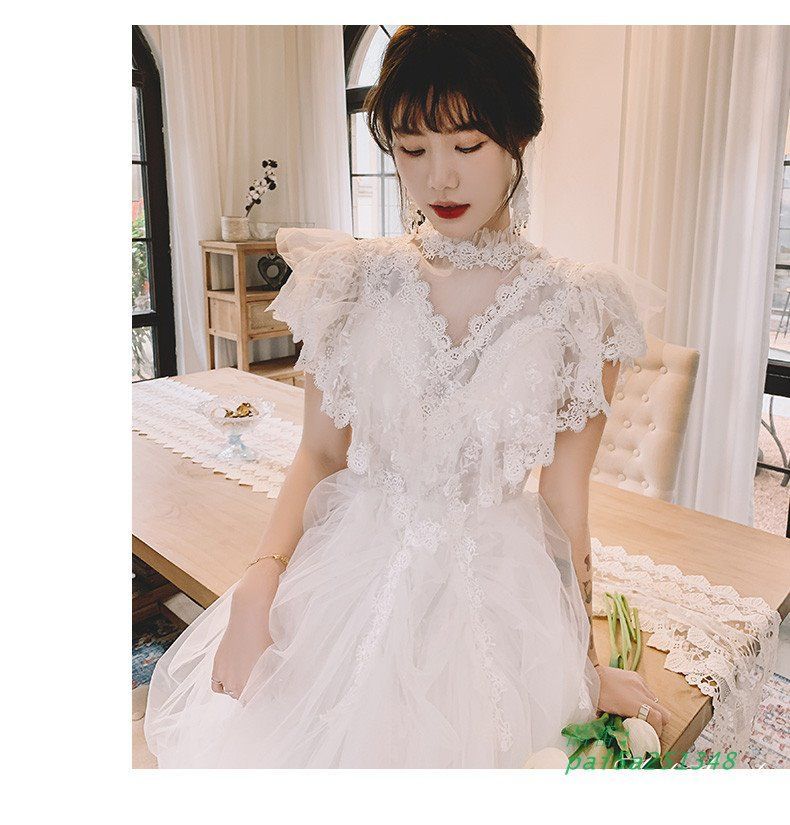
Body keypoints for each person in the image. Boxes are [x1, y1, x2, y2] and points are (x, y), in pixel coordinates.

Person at [144, 25, 670, 768]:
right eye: (412, 149)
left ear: (518, 137)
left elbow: (563, 505)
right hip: (348, 585)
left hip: (496, 600)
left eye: (467, 145)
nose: (438, 180)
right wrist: (261, 581)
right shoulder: (349, 281)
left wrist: (581, 663)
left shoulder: (580, 308)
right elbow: (319, 454)